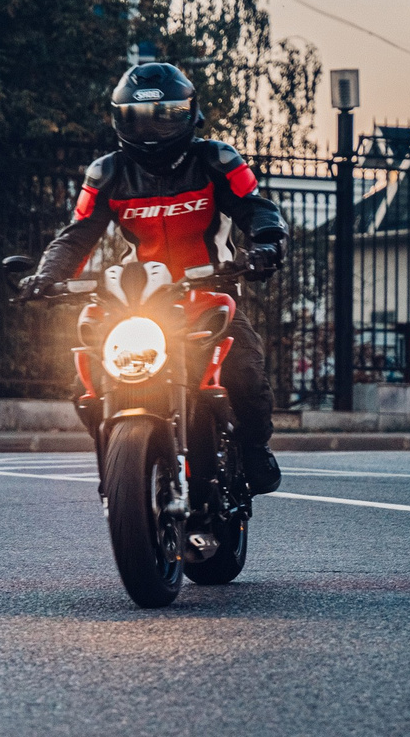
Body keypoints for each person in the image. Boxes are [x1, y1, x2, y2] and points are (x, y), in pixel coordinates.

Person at [24, 60, 287, 495]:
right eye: (138, 117)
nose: (152, 130)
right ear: (118, 119)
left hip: (207, 289)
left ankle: (255, 449)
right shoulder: (106, 173)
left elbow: (255, 208)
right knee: (85, 381)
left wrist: (266, 245)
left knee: (244, 372)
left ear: (190, 114)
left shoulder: (217, 159)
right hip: (139, 297)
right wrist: (44, 276)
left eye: (165, 116)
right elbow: (76, 236)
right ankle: (123, 460)